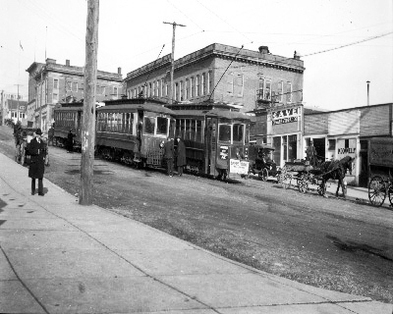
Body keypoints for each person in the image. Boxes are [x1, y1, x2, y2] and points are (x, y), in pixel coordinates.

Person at [28, 128, 47, 196]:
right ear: (36, 135)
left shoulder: (42, 142)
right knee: (33, 177)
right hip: (34, 162)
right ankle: (33, 191)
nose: (39, 136)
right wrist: (36, 151)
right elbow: (29, 151)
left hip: (40, 162)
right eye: (38, 135)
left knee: (40, 177)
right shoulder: (32, 142)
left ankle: (40, 191)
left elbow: (44, 151)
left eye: (40, 135)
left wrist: (44, 156)